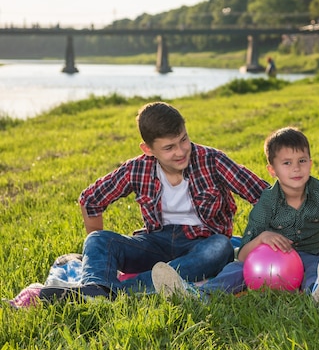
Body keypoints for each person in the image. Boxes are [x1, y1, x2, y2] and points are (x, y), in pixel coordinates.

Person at [39, 101, 269, 302]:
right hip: (155, 244)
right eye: (169, 147)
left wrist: (262, 235)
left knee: (221, 246)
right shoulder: (137, 168)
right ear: (148, 149)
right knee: (99, 239)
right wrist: (99, 259)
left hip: (202, 245)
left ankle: (110, 292)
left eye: (183, 140)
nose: (180, 151)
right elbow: (91, 200)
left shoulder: (212, 160)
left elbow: (264, 196)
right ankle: (97, 284)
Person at [152, 127, 319, 305]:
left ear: (310, 163)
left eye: (302, 161)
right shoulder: (267, 202)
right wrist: (262, 238)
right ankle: (199, 294)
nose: (296, 168)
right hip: (269, 259)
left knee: (317, 268)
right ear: (272, 170)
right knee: (236, 269)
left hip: (310, 254)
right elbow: (242, 254)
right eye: (286, 163)